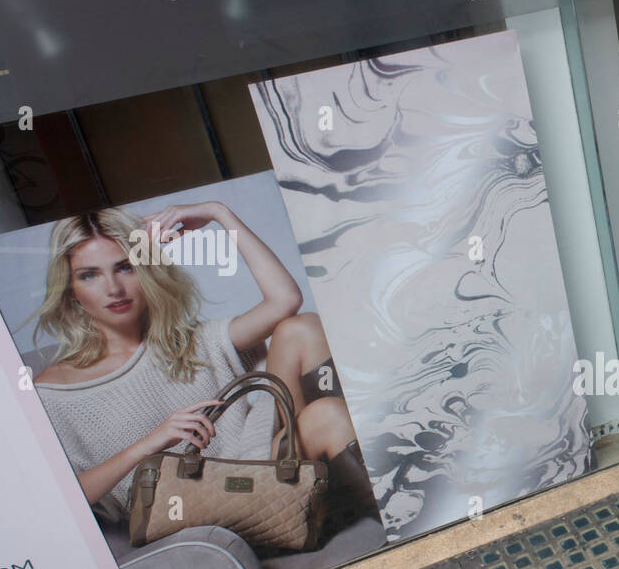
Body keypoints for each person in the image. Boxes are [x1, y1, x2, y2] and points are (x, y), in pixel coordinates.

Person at [28, 202, 372, 540]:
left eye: (126, 267)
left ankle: (387, 507)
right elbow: (62, 502)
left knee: (302, 332)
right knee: (325, 406)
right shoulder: (53, 392)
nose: (113, 289)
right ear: (70, 291)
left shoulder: (190, 342)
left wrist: (219, 213)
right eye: (89, 275)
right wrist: (152, 442)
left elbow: (284, 301)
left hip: (262, 470)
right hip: (194, 504)